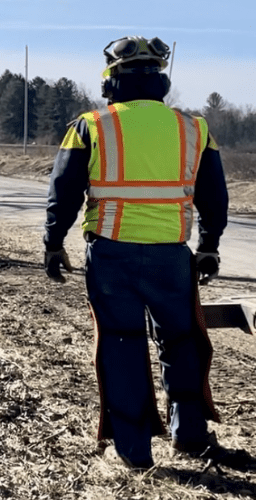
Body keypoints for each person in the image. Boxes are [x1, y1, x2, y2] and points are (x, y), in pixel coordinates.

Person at [43, 36, 251, 471]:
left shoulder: (90, 126)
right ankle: (191, 438)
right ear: (161, 80)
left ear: (111, 83)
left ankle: (135, 455)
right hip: (172, 259)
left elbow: (62, 193)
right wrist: (209, 246)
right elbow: (215, 197)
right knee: (183, 344)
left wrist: (53, 242)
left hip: (111, 256)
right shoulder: (196, 129)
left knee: (121, 347)